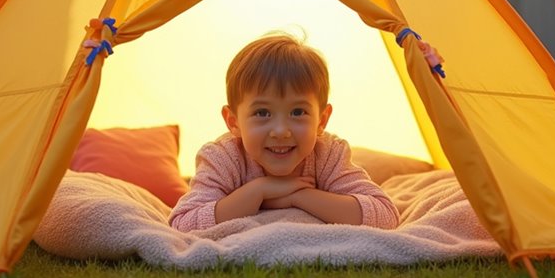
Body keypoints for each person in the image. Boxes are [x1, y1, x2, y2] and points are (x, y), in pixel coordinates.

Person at [169, 33, 399, 232]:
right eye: (262, 113)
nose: (281, 131)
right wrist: (259, 190)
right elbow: (183, 223)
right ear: (233, 122)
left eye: (298, 112)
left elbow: (385, 215)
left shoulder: (328, 154)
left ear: (322, 120)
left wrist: (297, 196)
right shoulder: (223, 158)